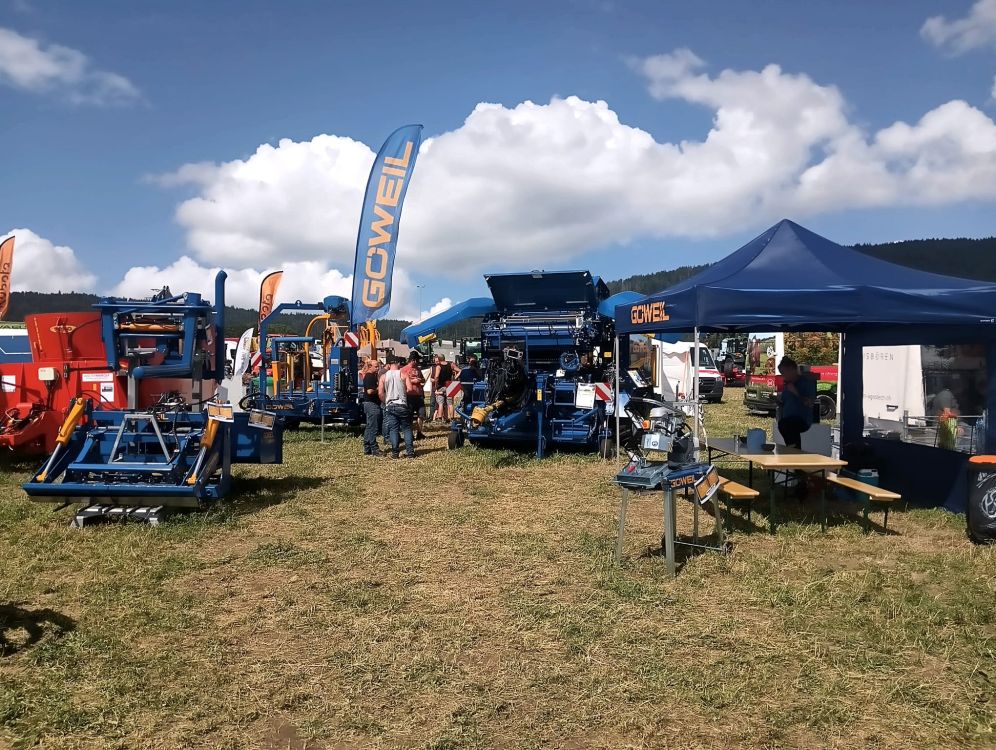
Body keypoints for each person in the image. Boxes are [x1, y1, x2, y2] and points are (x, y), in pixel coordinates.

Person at [776, 356, 816, 449]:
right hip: (787, 420)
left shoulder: (806, 383)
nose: (783, 376)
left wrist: (796, 393)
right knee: (783, 424)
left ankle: (795, 449)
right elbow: (785, 403)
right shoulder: (787, 385)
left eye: (784, 373)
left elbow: (809, 403)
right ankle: (792, 448)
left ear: (792, 369)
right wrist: (778, 401)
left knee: (786, 425)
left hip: (802, 420)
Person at [379, 357, 415, 458]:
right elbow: (410, 388)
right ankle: (410, 452)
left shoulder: (383, 376)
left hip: (390, 404)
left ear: (389, 364)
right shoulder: (403, 374)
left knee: (393, 429)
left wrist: (386, 401)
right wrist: (403, 393)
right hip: (402, 404)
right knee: (406, 429)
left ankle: (395, 452)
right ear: (398, 364)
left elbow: (380, 393)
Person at [400, 351, 427, 440]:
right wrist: (412, 381)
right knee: (409, 415)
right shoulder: (404, 369)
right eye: (417, 360)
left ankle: (419, 432)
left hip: (419, 395)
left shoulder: (418, 369)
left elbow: (423, 379)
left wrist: (420, 380)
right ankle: (409, 433)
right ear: (413, 360)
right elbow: (401, 381)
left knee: (421, 414)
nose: (417, 362)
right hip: (409, 395)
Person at [360, 359, 382, 456]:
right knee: (373, 427)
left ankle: (367, 447)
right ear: (370, 367)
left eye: (378, 366)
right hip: (371, 404)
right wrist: (379, 388)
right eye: (376, 366)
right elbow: (369, 391)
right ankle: (374, 448)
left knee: (369, 426)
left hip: (369, 404)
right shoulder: (369, 376)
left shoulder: (372, 376)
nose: (378, 368)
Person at [430, 353, 458, 421]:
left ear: (439, 359)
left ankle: (440, 418)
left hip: (441, 385)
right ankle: (452, 418)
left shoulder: (438, 366)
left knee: (441, 403)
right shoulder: (451, 364)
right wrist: (455, 379)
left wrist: (436, 385)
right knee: (450, 403)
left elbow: (436, 377)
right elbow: (460, 371)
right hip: (450, 385)